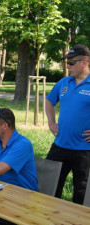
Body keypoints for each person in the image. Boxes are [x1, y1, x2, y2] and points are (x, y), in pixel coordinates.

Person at [45, 44, 90, 205]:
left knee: (81, 193)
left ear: (84, 62)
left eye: (71, 63)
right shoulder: (64, 82)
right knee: (48, 187)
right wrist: (51, 122)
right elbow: (49, 101)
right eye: (67, 62)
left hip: (85, 150)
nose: (67, 66)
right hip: (60, 146)